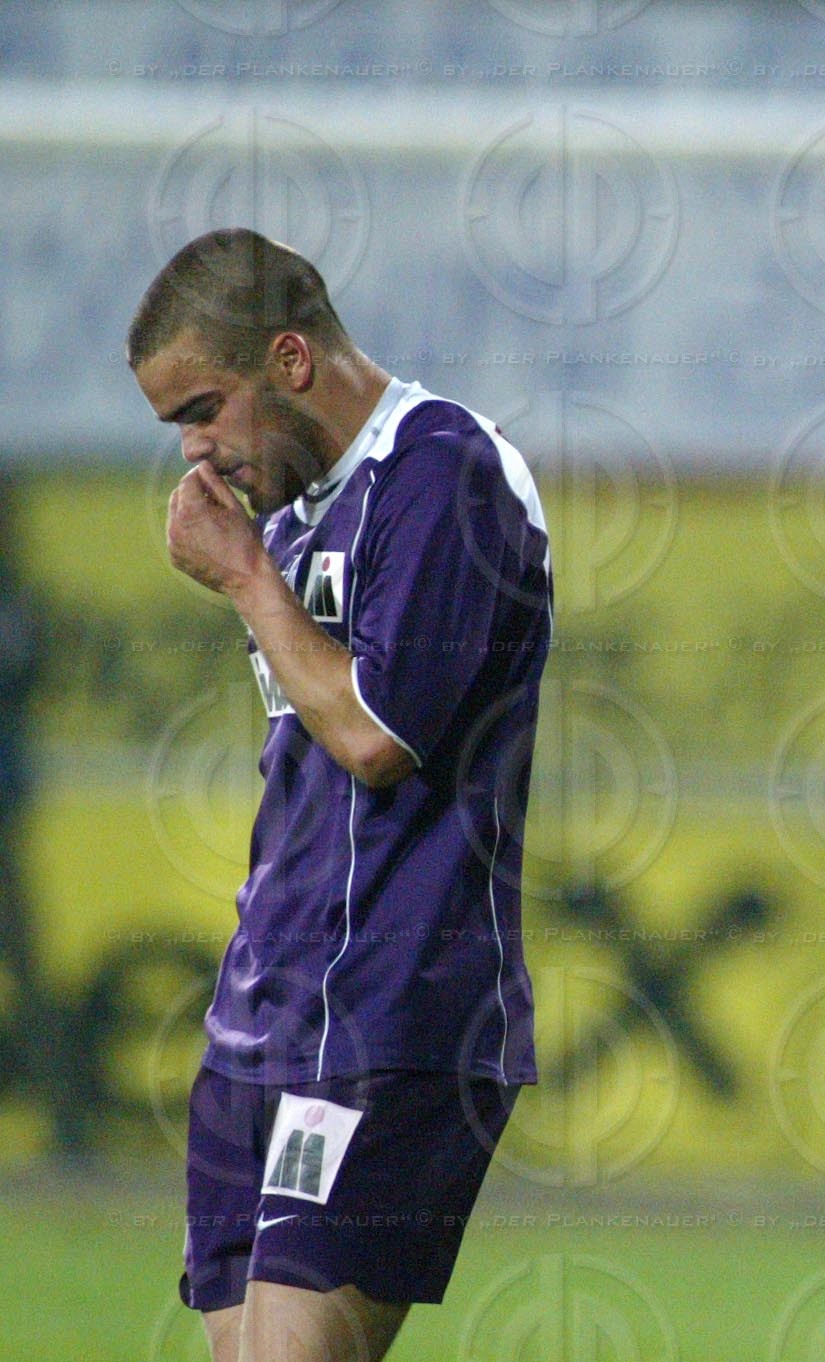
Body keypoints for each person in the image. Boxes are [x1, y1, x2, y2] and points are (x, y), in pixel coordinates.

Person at [129, 228, 552, 1362]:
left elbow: (377, 736)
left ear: (291, 360)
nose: (195, 450)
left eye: (206, 408)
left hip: (394, 1006)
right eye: (176, 423)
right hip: (259, 1017)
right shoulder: (292, 506)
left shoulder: (442, 471)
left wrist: (247, 581)